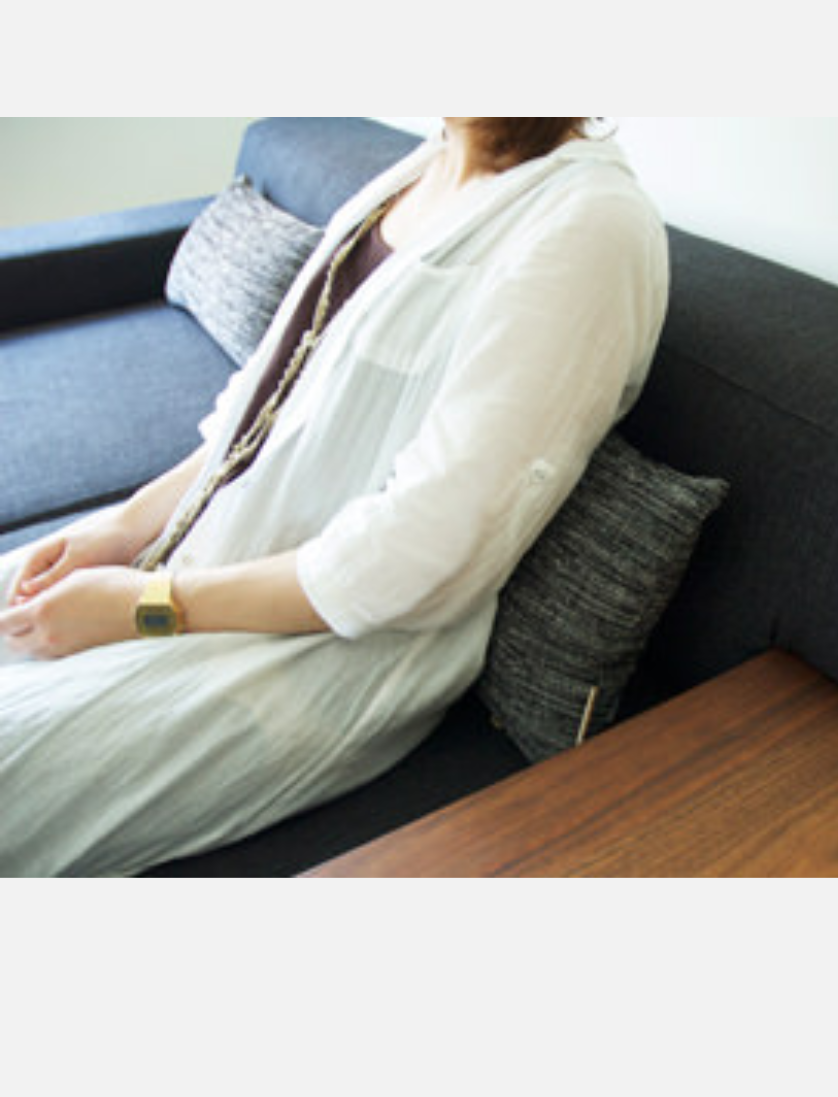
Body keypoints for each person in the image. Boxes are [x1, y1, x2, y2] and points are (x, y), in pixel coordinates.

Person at [0, 117, 670, 876]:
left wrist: (146, 607)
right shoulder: (422, 169)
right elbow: (257, 413)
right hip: (192, 559)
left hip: (310, 659)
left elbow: (418, 559)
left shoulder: (591, 228)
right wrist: (123, 528)